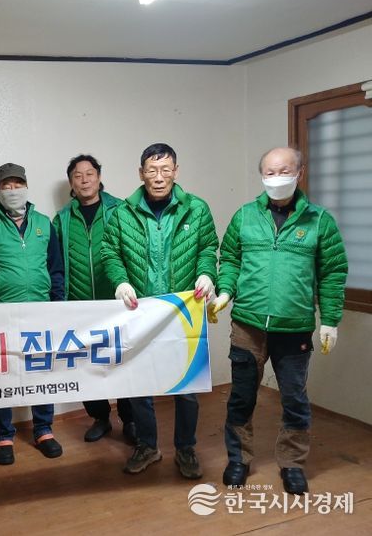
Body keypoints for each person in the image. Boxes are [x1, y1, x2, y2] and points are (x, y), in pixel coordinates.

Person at [210, 147, 348, 495]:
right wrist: (225, 291)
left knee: (294, 399)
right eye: (269, 172)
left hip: (295, 327)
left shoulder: (319, 221)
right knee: (241, 396)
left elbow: (333, 272)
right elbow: (230, 259)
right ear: (262, 176)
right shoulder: (245, 216)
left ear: (300, 173)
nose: (276, 178)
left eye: (284, 171)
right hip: (247, 325)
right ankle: (238, 458)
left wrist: (330, 320)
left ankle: (292, 463)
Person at [102, 143, 218, 479]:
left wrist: (207, 273)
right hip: (139, 313)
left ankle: (186, 448)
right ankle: (148, 446)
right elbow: (110, 252)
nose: (158, 177)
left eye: (165, 170)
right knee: (140, 386)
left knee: (187, 388)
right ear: (141, 173)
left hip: (183, 313)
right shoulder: (122, 213)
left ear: (176, 171)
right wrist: (120, 281)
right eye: (152, 170)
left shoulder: (196, 209)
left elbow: (208, 246)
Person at [0, 163, 65, 466]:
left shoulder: (44, 223)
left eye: (17, 184)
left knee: (41, 370)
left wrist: (58, 305)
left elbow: (56, 269)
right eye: (6, 186)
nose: (12, 190)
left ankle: (44, 430)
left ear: (26, 186)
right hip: (1, 314)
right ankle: (4, 435)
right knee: (2, 374)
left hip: (40, 311)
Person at [52, 154, 135, 444]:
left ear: (99, 177)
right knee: (87, 365)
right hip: (80, 306)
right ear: (71, 183)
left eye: (90, 173)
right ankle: (100, 418)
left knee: (124, 362)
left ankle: (130, 420)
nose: (84, 179)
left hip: (117, 303)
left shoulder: (121, 210)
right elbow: (56, 263)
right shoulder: (62, 219)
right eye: (78, 175)